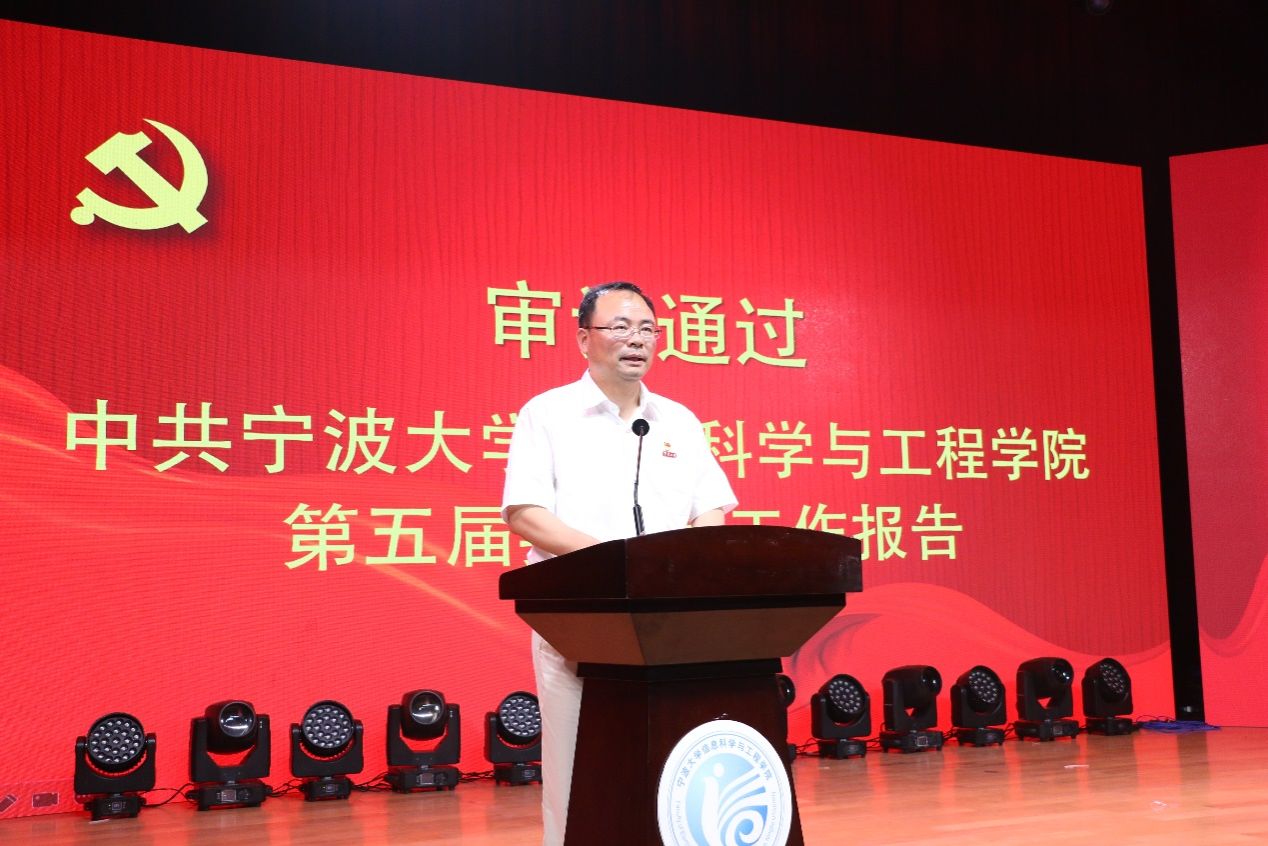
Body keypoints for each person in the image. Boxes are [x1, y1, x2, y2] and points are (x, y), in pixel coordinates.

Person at [501, 281, 737, 845]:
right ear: (584, 339)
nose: (637, 340)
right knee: (578, 769)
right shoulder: (548, 414)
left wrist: (685, 565)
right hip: (579, 620)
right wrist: (615, 564)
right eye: (620, 327)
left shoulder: (677, 420)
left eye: (647, 329)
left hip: (667, 624)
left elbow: (710, 508)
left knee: (668, 761)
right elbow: (526, 513)